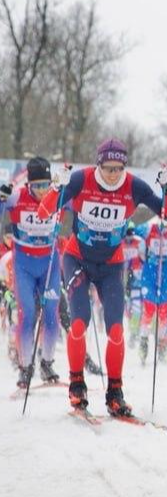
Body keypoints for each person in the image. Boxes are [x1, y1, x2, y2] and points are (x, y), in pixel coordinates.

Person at [38, 139, 167, 416]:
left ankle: (115, 390)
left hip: (112, 265)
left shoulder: (134, 186)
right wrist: (58, 187)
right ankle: (76, 383)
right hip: (77, 258)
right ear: (98, 164)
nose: (113, 174)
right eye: (107, 168)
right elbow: (45, 212)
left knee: (116, 329)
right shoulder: (81, 180)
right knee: (79, 322)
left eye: (118, 168)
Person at [1, 158, 63, 388]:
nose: (41, 191)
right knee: (27, 315)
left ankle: (47, 362)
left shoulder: (57, 196)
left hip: (49, 263)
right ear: (28, 185)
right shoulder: (17, 196)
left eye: (45, 184)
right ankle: (25, 367)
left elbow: (78, 206)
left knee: (51, 315)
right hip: (24, 265)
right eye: (36, 186)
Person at [138, 218, 167, 364]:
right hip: (150, 270)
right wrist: (129, 229)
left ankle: (162, 345)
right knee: (149, 308)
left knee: (163, 310)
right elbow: (133, 227)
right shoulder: (150, 228)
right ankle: (144, 340)